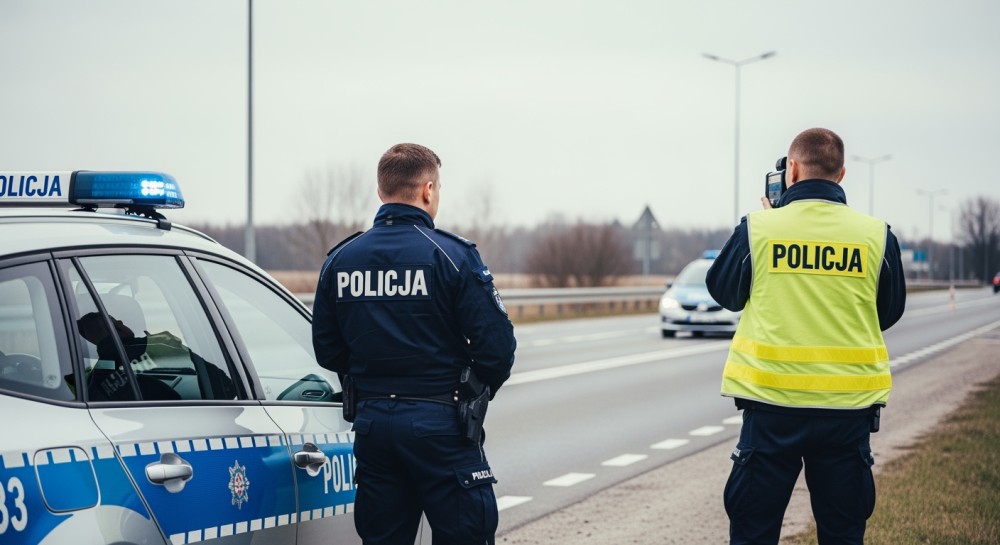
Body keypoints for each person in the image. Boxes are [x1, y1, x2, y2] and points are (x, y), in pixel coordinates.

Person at [706, 128, 906, 545]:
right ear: (842, 174)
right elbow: (887, 313)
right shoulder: (876, 235)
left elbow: (724, 293)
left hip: (771, 410)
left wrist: (770, 222)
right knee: (843, 534)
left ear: (791, 170)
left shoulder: (759, 230)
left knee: (753, 532)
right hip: (846, 413)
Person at [312, 143, 516, 545]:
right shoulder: (453, 256)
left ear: (380, 191)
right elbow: (497, 349)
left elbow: (327, 348)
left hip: (373, 427)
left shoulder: (341, 260)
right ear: (427, 190)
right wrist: (469, 392)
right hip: (442, 424)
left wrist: (371, 380)